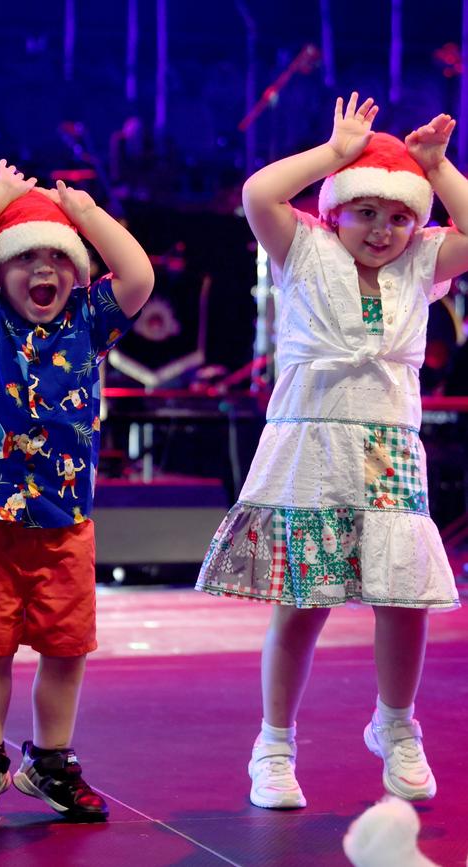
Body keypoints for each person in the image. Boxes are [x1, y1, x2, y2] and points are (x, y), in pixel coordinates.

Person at [196, 93, 468, 809]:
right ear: (336, 210)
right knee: (302, 603)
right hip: (311, 448)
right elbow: (260, 191)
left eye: (399, 215)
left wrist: (437, 171)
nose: (383, 229)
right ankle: (274, 745)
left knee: (403, 598)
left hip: (388, 454)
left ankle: (396, 724)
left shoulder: (424, 264)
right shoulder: (304, 249)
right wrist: (337, 153)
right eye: (366, 211)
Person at [0, 159, 154, 823]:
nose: (44, 271)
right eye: (25, 257)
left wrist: (85, 217)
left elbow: (139, 275)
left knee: (65, 646)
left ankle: (50, 761)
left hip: (64, 520)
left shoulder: (89, 320)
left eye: (58, 259)